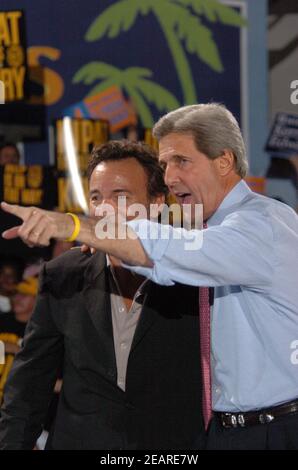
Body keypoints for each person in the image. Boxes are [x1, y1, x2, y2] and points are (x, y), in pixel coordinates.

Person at [2, 104, 298, 450]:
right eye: (165, 164)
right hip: (226, 433)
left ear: (224, 161)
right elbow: (30, 383)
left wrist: (74, 226)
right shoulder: (71, 271)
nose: (171, 178)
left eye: (182, 161)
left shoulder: (256, 226)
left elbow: (171, 249)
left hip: (269, 430)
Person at [0, 140, 205, 450]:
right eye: (96, 197)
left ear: (158, 201)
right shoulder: (63, 273)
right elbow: (30, 381)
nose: (105, 208)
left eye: (121, 196)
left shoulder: (194, 274)